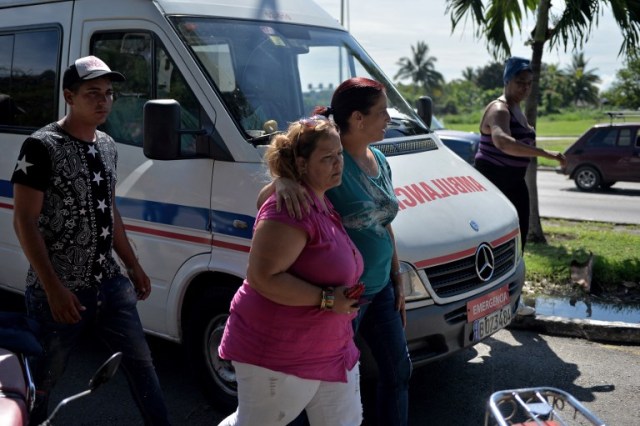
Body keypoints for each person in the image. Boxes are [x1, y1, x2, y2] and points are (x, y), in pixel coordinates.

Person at [11, 55, 170, 426]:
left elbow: (108, 211)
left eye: (109, 93)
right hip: (59, 291)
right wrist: (52, 288)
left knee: (142, 367)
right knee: (41, 382)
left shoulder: (108, 145)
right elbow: (24, 221)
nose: (103, 101)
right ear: (69, 95)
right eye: (92, 93)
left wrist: (133, 265)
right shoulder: (41, 146)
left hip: (110, 286)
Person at [259, 77, 412, 426]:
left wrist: (397, 277)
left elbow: (383, 222)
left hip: (382, 290)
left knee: (399, 371)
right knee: (323, 381)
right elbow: (265, 202)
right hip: (343, 297)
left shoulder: (379, 160)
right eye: (382, 111)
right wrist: (282, 181)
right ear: (358, 119)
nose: (389, 118)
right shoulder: (329, 160)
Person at [217, 117, 365, 426]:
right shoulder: (289, 205)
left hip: (331, 349)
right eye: (327, 158)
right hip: (279, 352)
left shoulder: (316, 198)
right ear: (301, 164)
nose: (339, 163)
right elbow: (263, 277)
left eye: (339, 154)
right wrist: (328, 300)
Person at [475, 56, 567, 317]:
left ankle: (511, 300)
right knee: (496, 246)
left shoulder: (517, 108)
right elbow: (503, 141)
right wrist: (546, 153)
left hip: (514, 183)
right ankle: (488, 303)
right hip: (496, 183)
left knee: (518, 242)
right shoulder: (499, 109)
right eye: (519, 82)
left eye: (528, 83)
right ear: (506, 80)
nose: (524, 88)